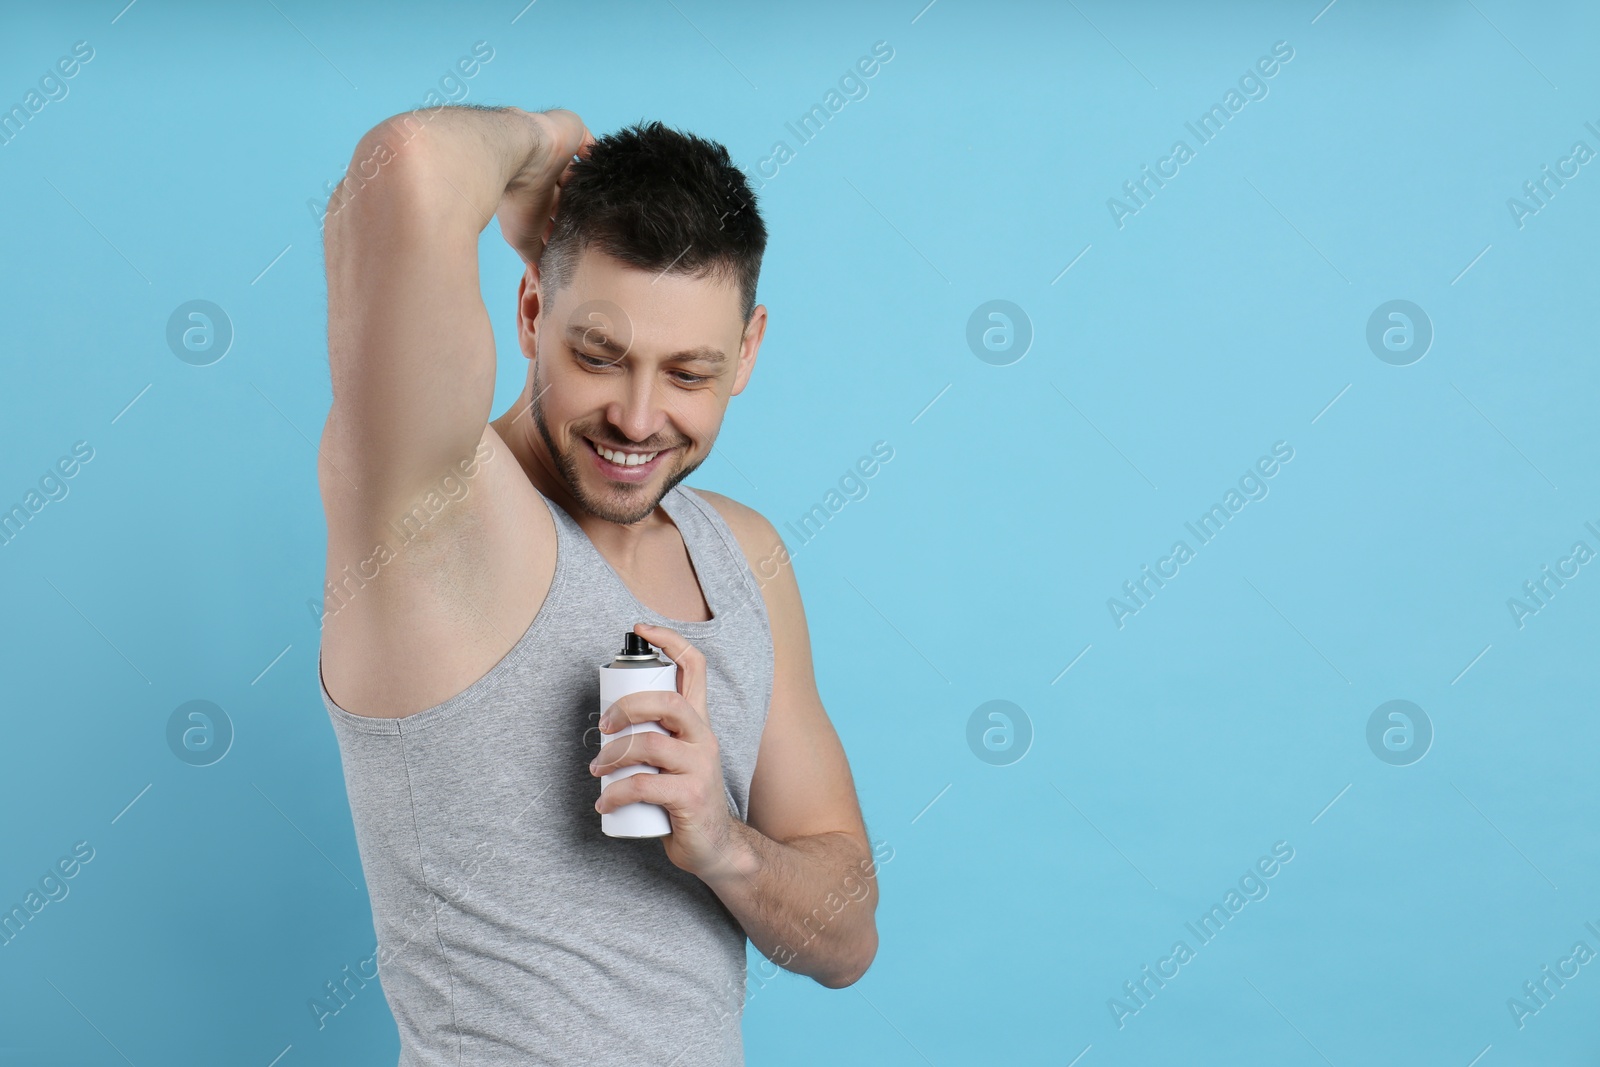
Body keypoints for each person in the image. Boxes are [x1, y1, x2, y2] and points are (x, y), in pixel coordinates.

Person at [315, 104, 880, 1064]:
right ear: (531, 310)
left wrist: (725, 845)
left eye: (690, 372)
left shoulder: (745, 556)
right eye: (599, 355)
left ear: (746, 352)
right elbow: (402, 170)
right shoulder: (438, 517)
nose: (638, 416)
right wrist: (544, 143)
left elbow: (847, 934)